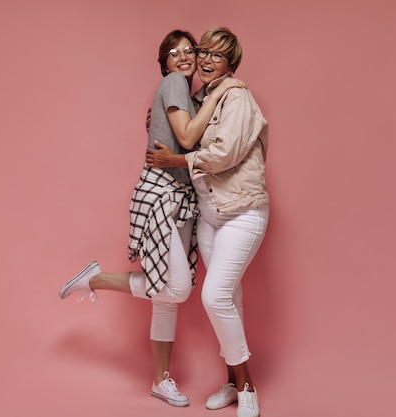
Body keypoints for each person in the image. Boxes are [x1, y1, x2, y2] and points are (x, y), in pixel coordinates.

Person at [57, 29, 245, 408]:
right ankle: (95, 278)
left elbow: (190, 137)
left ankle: (161, 381)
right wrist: (219, 93)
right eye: (173, 53)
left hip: (183, 199)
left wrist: (197, 104)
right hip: (162, 194)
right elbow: (189, 140)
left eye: (188, 50)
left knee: (166, 298)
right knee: (176, 288)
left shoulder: (190, 97)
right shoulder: (176, 83)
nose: (182, 57)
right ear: (165, 65)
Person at [145, 27, 268, 417]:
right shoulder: (198, 98)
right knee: (230, 297)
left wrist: (178, 160)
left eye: (217, 56)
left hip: (242, 211)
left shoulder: (238, 97)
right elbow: (184, 134)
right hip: (209, 212)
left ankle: (247, 385)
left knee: (215, 296)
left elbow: (224, 153)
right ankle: (232, 383)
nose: (206, 61)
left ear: (231, 63)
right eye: (203, 53)